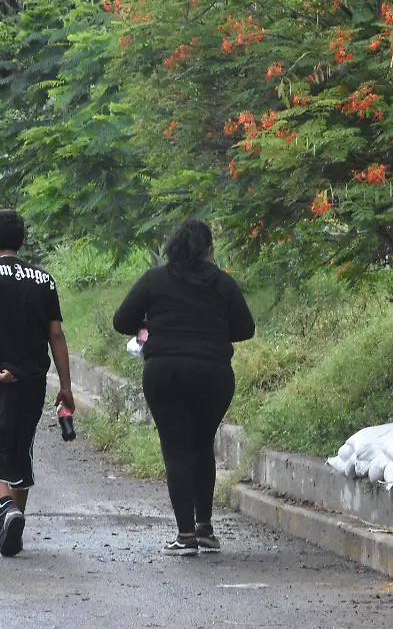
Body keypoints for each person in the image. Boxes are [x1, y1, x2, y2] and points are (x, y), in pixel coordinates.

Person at [113, 219, 255, 555]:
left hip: (166, 372)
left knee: (176, 446)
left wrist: (150, 324)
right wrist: (212, 332)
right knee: (202, 444)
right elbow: (245, 328)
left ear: (170, 248)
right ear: (208, 250)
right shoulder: (223, 283)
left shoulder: (154, 280)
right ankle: (205, 528)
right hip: (213, 374)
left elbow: (121, 321)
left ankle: (185, 534)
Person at [0, 209, 74, 557]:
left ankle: (7, 511)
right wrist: (66, 386)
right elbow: (56, 333)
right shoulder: (44, 279)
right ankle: (16, 522)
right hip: (33, 382)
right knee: (20, 452)